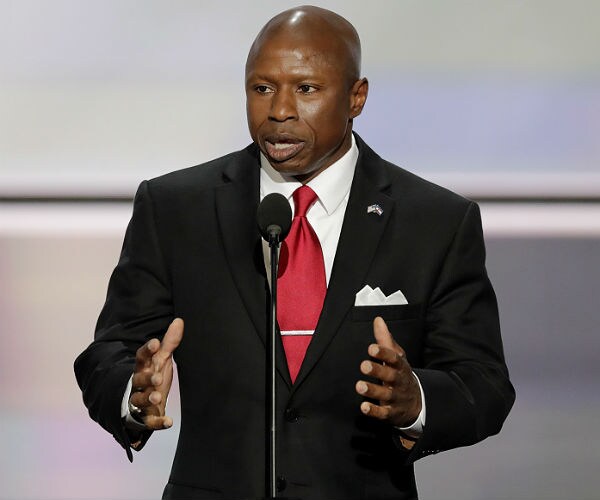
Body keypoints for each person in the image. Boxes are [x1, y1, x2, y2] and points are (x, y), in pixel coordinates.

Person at [75, 5, 515, 499]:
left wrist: (416, 403)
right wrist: (132, 395)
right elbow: (107, 353)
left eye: (306, 89)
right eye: (262, 88)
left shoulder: (433, 221)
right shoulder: (176, 208)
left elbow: (484, 385)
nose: (279, 110)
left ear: (356, 97)